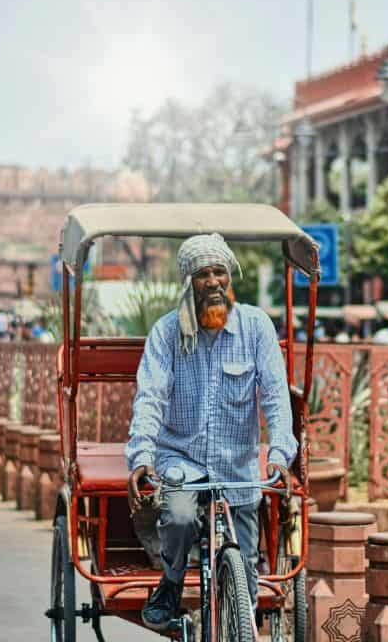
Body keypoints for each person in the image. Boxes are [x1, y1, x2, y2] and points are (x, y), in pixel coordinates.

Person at [125, 233, 297, 631]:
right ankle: (169, 585)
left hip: (237, 466)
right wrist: (142, 458)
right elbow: (149, 397)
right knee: (181, 518)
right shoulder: (167, 333)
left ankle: (238, 622)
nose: (214, 281)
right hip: (180, 459)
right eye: (204, 274)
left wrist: (279, 455)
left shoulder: (255, 327)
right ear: (189, 283)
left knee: (247, 578)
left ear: (230, 277)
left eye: (220, 272)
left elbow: (275, 396)